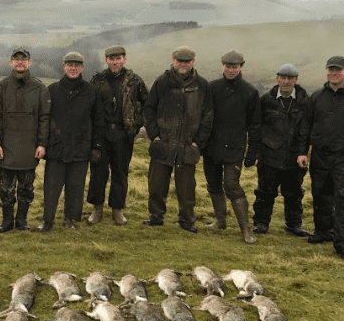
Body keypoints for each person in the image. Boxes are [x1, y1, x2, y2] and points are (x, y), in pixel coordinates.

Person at [297, 56, 344, 259]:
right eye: (330, 70)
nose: (334, 73)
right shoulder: (317, 97)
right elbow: (305, 126)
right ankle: (324, 233)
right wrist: (302, 151)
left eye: (338, 70)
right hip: (320, 156)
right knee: (321, 195)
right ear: (326, 72)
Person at [142, 46, 213, 233]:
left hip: (188, 146)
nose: (183, 64)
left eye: (187, 61)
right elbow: (149, 109)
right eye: (179, 61)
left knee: (187, 188)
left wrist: (198, 142)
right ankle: (156, 217)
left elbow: (208, 116)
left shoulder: (202, 85)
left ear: (193, 62)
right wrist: (154, 135)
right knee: (157, 185)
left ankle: (187, 220)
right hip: (163, 143)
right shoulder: (162, 82)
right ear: (173, 60)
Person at [38, 52, 104, 232]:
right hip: (56, 148)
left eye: (77, 65)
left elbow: (98, 122)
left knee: (76, 187)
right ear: (64, 66)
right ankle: (47, 220)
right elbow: (44, 118)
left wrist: (96, 146)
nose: (73, 68)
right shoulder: (52, 90)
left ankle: (70, 218)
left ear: (82, 68)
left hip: (81, 148)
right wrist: (44, 143)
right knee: (51, 187)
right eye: (70, 65)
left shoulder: (91, 92)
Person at [202, 49, 262, 244]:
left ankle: (246, 229)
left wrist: (252, 151)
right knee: (213, 183)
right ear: (223, 66)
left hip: (235, 148)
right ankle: (220, 220)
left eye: (234, 67)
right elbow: (204, 117)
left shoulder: (250, 92)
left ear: (241, 67)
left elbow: (255, 125)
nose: (230, 70)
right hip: (211, 146)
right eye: (227, 66)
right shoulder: (212, 88)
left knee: (232, 186)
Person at [86, 45, 148, 226]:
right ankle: (96, 209)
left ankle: (117, 210)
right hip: (101, 133)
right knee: (98, 172)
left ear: (124, 60)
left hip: (123, 134)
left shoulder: (135, 81)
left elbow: (147, 104)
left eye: (119, 58)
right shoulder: (97, 80)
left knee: (120, 172)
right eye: (112, 59)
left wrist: (137, 125)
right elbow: (89, 106)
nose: (115, 62)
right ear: (107, 60)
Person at [0, 48, 50, 233]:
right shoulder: (0, 88)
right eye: (16, 60)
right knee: (5, 189)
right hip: (6, 147)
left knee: (26, 188)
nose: (20, 63)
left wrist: (42, 143)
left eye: (24, 60)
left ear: (30, 62)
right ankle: (7, 221)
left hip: (29, 146)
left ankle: (22, 220)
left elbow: (44, 118)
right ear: (11, 63)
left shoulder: (39, 88)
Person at [251, 63, 311, 237]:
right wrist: (263, 144)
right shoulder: (266, 100)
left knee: (294, 194)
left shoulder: (305, 102)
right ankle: (261, 224)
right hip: (269, 156)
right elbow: (257, 125)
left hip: (295, 158)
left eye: (290, 78)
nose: (286, 81)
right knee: (264, 192)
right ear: (277, 78)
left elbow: (306, 130)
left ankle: (293, 225)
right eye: (283, 78)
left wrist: (302, 152)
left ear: (296, 80)